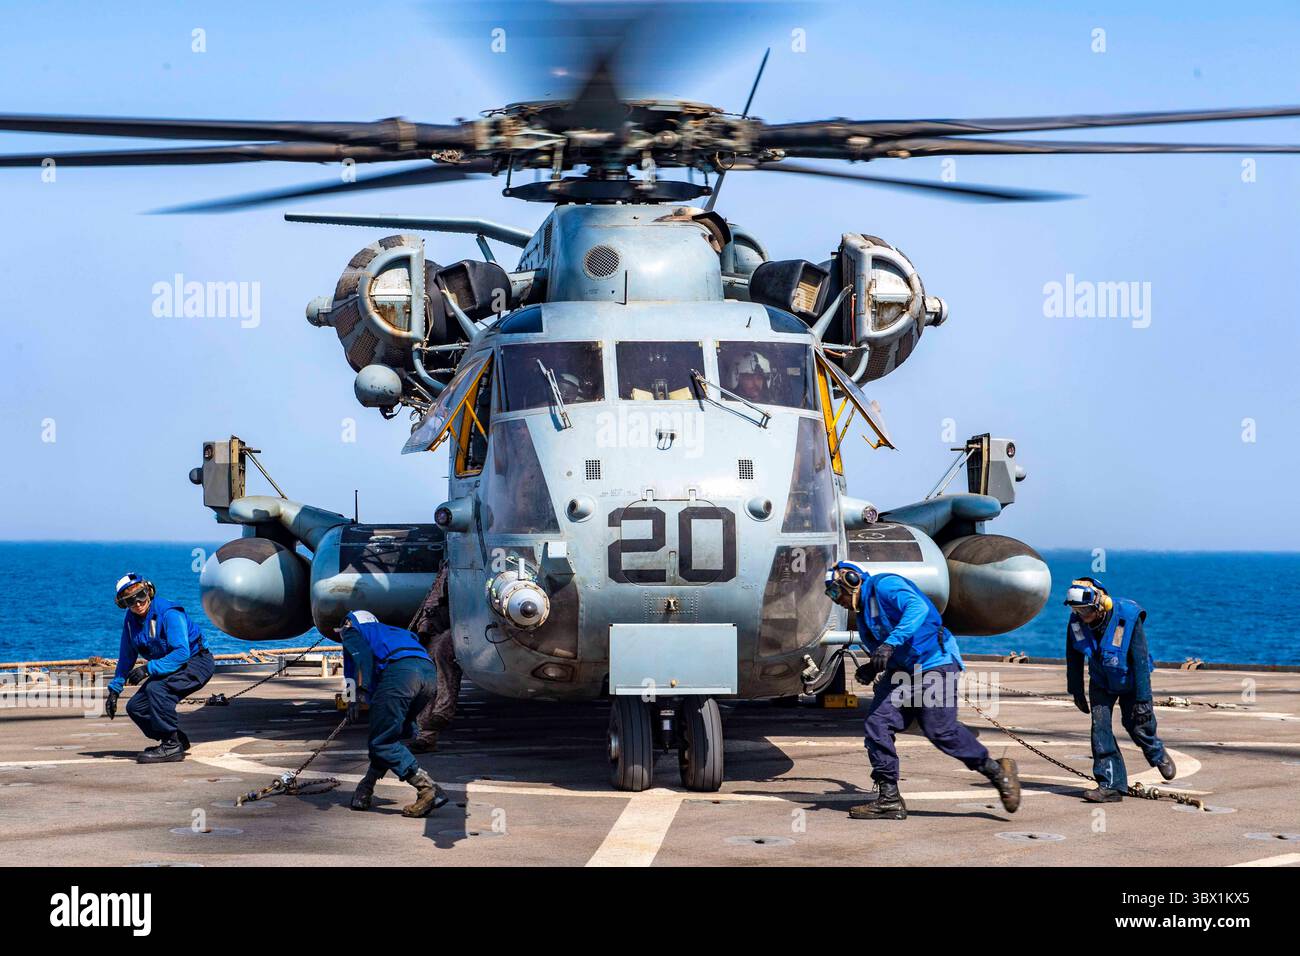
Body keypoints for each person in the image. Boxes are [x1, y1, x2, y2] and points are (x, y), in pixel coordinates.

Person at [825, 561, 1021, 819]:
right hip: (903, 673)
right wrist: (872, 668)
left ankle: (996, 771)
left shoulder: (886, 585)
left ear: (852, 580)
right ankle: (889, 799)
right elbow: (885, 651)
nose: (835, 599)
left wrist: (890, 644)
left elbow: (916, 608)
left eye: (835, 591)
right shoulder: (863, 616)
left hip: (933, 663)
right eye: (830, 595)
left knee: (940, 730)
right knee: (878, 723)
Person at [1065, 576, 1176, 802]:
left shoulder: (1128, 616)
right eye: (1078, 611)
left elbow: (1141, 661)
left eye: (1085, 610)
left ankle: (1156, 752)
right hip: (1101, 681)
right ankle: (1111, 785)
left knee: (1137, 724)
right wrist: (1075, 690)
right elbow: (1073, 657)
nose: (1082, 616)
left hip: (1131, 680)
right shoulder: (1077, 621)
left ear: (1100, 603)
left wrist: (1144, 699)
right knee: (1100, 728)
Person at [338, 610, 448, 817]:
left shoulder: (352, 630)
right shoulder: (393, 632)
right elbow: (356, 666)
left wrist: (359, 692)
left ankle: (427, 788)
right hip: (428, 676)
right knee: (390, 736)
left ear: (347, 623)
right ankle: (365, 789)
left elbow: (362, 659)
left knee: (382, 742)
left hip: (401, 676)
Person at [105, 573, 215, 764]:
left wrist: (148, 669)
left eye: (140, 595)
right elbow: (126, 656)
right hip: (169, 666)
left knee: (157, 690)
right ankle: (175, 739)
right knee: (136, 707)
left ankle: (171, 747)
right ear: (124, 604)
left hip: (197, 662)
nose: (138, 603)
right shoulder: (131, 621)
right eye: (130, 601)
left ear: (149, 591)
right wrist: (115, 689)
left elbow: (181, 652)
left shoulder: (168, 613)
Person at [407, 564, 462, 754]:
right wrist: (423, 628)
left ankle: (442, 712)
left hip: (462, 626)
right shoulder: (447, 568)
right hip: (439, 627)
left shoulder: (457, 568)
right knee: (427, 676)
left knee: (443, 655)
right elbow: (432, 601)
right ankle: (426, 735)